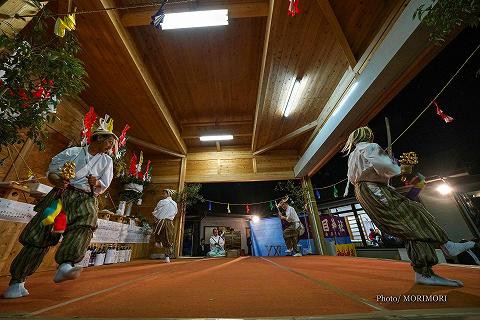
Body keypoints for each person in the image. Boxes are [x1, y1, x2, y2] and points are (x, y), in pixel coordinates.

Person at [342, 126, 477, 287]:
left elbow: (360, 176)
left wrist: (389, 164)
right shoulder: (371, 147)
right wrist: (400, 167)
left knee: (411, 224)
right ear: (368, 136)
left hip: (365, 191)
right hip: (375, 190)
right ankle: (440, 253)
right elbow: (388, 169)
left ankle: (431, 263)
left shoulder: (353, 155)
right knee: (413, 217)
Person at [2, 128, 116, 299]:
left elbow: (104, 184)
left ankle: (66, 265)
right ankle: (17, 281)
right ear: (98, 138)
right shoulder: (73, 152)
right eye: (109, 142)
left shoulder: (107, 161)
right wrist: (58, 179)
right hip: (62, 194)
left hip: (86, 197)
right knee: (40, 236)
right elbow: (52, 172)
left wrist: (97, 182)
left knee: (84, 227)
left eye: (113, 145)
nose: (110, 147)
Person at [152, 189, 178, 263]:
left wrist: (156, 219)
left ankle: (159, 242)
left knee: (162, 237)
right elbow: (175, 212)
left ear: (168, 194)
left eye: (164, 193)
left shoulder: (162, 202)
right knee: (168, 239)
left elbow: (156, 211)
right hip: (169, 222)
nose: (163, 195)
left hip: (161, 221)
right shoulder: (175, 203)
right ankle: (167, 256)